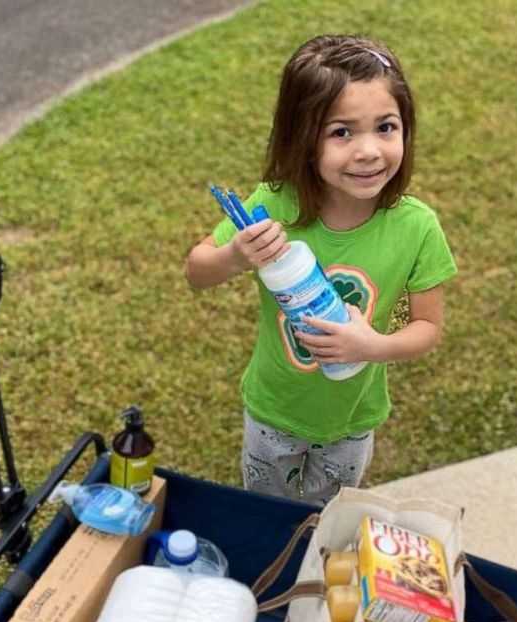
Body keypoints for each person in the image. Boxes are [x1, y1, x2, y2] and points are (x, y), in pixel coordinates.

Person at [185, 34, 456, 505]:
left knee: (329, 519)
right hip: (273, 411)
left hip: (351, 419)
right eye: (342, 132)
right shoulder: (273, 205)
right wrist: (234, 257)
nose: (369, 151)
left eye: (386, 127)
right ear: (302, 139)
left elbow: (427, 328)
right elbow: (196, 272)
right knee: (269, 517)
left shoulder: (416, 227)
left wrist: (372, 345)